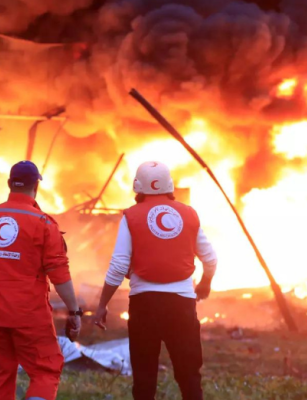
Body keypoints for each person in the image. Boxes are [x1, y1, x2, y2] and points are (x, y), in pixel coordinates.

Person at [93, 161, 218, 400]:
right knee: (189, 375)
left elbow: (119, 265)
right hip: (181, 306)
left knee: (144, 378)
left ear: (137, 187)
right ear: (169, 185)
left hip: (144, 305)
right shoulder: (189, 214)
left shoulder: (131, 216)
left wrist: (102, 306)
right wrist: (204, 284)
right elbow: (210, 259)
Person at [0, 160, 82, 400]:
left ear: (9, 184)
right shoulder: (44, 224)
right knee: (45, 370)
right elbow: (59, 273)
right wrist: (74, 312)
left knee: (0, 374)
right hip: (30, 315)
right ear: (36, 185)